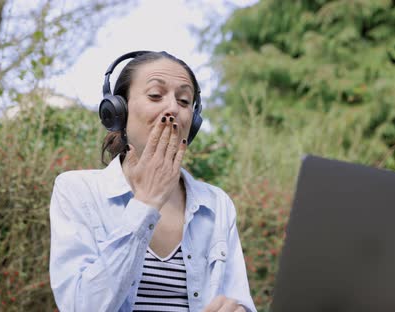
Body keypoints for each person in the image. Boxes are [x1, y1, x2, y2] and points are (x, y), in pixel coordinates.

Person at [49, 51, 256, 312]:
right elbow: (82, 307)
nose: (172, 108)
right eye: (155, 95)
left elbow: (241, 302)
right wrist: (146, 203)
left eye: (183, 100)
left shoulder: (217, 205)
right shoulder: (77, 191)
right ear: (117, 111)